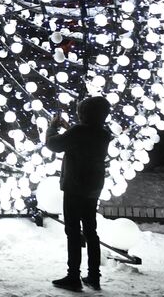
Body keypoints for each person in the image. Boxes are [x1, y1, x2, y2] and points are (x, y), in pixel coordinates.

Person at [46, 96, 112, 292]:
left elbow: (54, 145)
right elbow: (81, 140)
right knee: (91, 231)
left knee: (73, 231)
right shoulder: (103, 133)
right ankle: (94, 276)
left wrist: (52, 128)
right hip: (93, 186)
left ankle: (73, 276)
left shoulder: (79, 131)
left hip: (75, 186)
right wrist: (70, 128)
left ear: (83, 113)